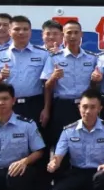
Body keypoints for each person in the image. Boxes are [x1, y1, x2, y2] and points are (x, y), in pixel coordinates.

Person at [41, 20, 98, 151]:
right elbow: (47, 86)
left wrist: (96, 80)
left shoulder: (92, 58)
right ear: (63, 35)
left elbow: (95, 86)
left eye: (76, 32)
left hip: (85, 107)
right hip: (63, 106)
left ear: (81, 34)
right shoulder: (54, 57)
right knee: (61, 145)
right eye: (69, 33)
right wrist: (53, 77)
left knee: (85, 143)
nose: (73, 36)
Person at [0, 16, 49, 124]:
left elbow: (47, 85)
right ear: (9, 32)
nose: (21, 32)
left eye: (25, 29)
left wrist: (46, 108)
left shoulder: (43, 54)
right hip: (9, 105)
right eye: (17, 29)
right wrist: (0, 77)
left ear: (30, 32)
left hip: (35, 104)